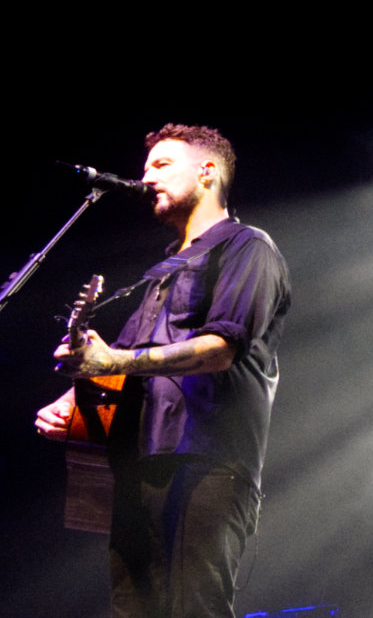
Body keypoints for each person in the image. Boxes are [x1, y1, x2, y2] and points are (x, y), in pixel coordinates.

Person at [35, 124, 292, 618]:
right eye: (145, 165)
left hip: (206, 463)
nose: (144, 176)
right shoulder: (165, 270)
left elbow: (221, 347)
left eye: (161, 165)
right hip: (137, 468)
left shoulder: (247, 247)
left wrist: (114, 360)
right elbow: (120, 362)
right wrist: (71, 399)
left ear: (207, 171)